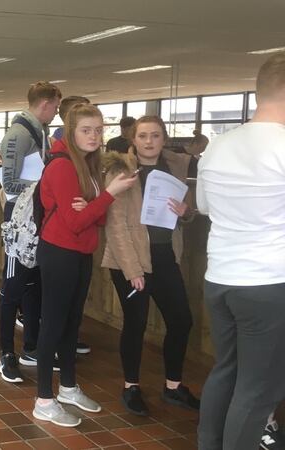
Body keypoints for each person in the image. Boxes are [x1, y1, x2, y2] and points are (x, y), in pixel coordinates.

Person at [196, 53, 285, 450]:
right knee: (258, 389)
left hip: (221, 280)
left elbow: (204, 208)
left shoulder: (217, 147)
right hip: (268, 283)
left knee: (226, 372)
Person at [32, 104, 136, 427]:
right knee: (53, 325)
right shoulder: (62, 167)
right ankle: (43, 400)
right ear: (71, 132)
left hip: (80, 253)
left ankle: (67, 387)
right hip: (59, 253)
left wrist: (94, 202)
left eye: (98, 129)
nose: (94, 136)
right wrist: (108, 194)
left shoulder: (89, 165)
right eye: (86, 130)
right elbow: (76, 222)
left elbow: (98, 219)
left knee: (72, 323)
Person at [102, 115, 200, 417]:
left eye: (155, 136)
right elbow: (114, 225)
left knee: (181, 321)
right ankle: (131, 386)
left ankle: (173, 387)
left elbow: (185, 212)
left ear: (164, 138)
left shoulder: (176, 166)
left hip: (164, 255)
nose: (148, 141)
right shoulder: (120, 169)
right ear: (134, 139)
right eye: (143, 136)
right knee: (136, 323)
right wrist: (133, 271)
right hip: (128, 259)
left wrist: (186, 212)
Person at [0, 82, 61, 382]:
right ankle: (6, 353)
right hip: (19, 224)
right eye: (56, 107)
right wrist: (46, 186)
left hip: (38, 221)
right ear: (46, 104)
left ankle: (32, 346)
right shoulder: (19, 134)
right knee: (12, 291)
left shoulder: (39, 134)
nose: (56, 113)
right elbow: (9, 183)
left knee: (35, 288)